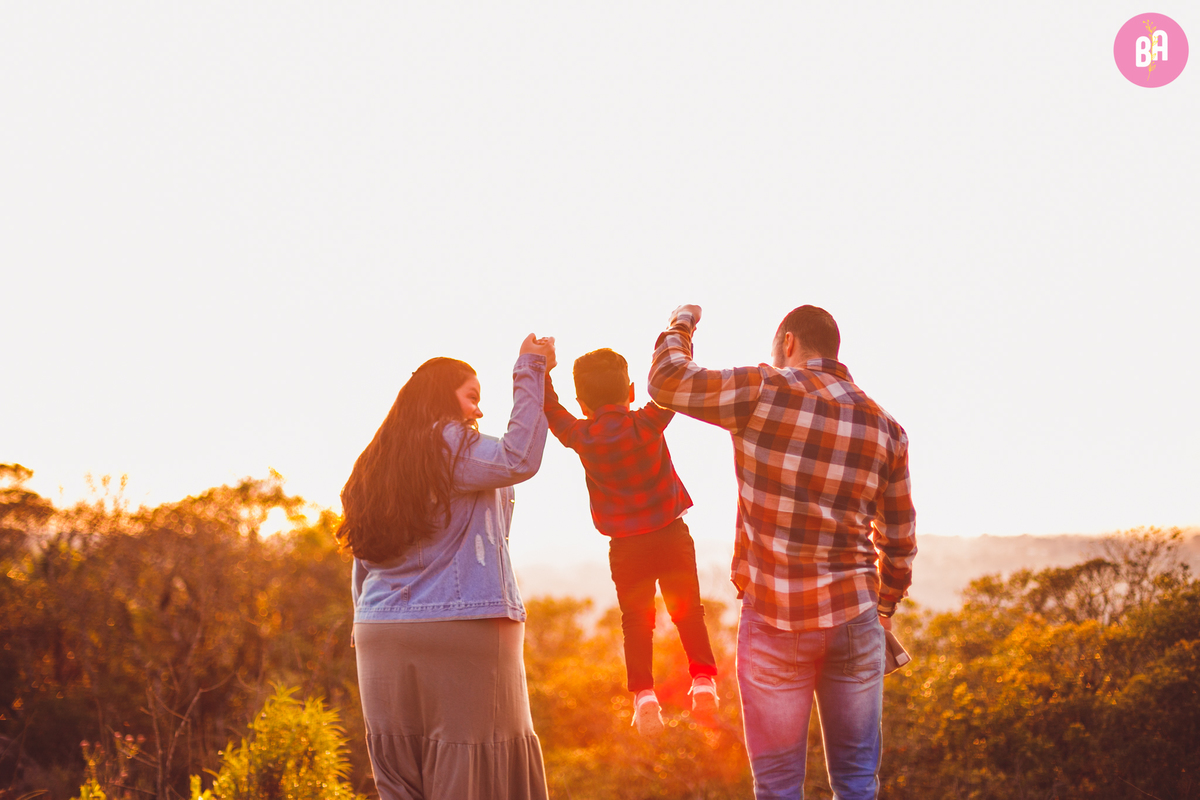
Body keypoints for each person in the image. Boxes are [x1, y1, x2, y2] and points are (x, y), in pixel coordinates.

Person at [647, 305, 916, 800]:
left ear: (788, 342)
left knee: (776, 787)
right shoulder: (887, 427)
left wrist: (680, 324)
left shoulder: (763, 389)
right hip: (856, 619)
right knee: (858, 782)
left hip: (775, 616)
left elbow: (666, 380)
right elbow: (899, 540)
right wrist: (884, 607)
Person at [337, 334, 556, 800]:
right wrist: (530, 369)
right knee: (472, 770)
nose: (478, 412)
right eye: (472, 397)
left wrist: (366, 619)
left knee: (399, 779)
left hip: (378, 630)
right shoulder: (453, 444)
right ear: (443, 397)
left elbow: (363, 558)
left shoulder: (372, 464)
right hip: (462, 625)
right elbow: (519, 456)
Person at [543, 347, 719, 737]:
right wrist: (679, 338)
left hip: (626, 546)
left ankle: (644, 695)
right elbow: (675, 384)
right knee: (688, 610)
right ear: (632, 390)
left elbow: (550, 408)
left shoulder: (580, 434)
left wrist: (542, 368)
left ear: (583, 405)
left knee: (636, 622)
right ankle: (704, 679)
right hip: (670, 535)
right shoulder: (648, 422)